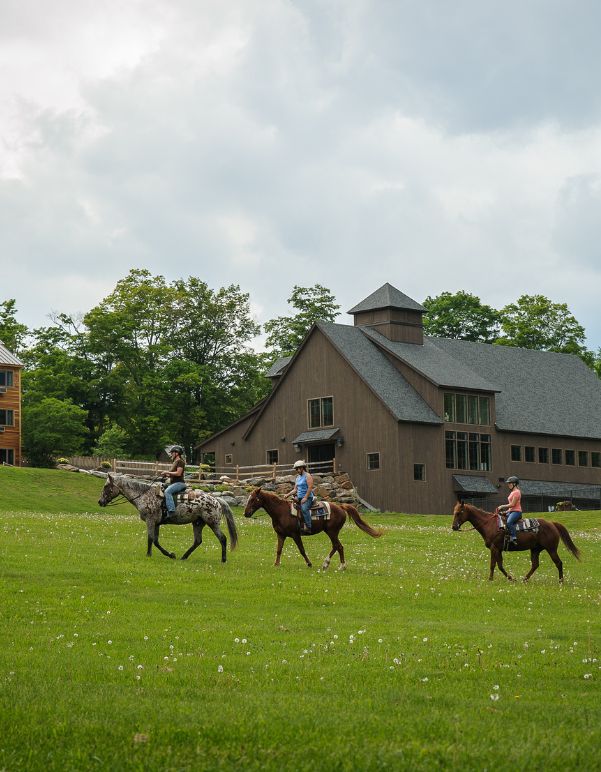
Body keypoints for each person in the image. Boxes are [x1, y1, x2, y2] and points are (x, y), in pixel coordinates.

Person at [161, 445, 186, 520]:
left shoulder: (180, 462)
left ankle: (171, 511)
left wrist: (167, 472)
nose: (171, 454)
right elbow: (172, 474)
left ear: (177, 453)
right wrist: (167, 475)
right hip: (173, 483)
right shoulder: (175, 462)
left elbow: (178, 473)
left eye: (172, 452)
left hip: (180, 483)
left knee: (167, 492)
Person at [290, 459, 314, 534]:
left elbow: (310, 487)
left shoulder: (308, 476)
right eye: (296, 469)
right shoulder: (297, 477)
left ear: (303, 468)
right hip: (299, 497)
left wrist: (305, 497)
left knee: (304, 509)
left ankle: (308, 527)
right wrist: (287, 494)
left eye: (299, 468)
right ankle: (297, 525)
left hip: (308, 497)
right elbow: (295, 489)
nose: (297, 470)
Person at [498, 476, 522, 544]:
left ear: (514, 484)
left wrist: (502, 506)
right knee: (501, 519)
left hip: (517, 512)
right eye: (508, 483)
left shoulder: (517, 492)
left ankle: (514, 537)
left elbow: (512, 504)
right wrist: (506, 511)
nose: (508, 485)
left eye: (510, 483)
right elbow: (511, 507)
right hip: (511, 512)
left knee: (509, 522)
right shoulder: (512, 492)